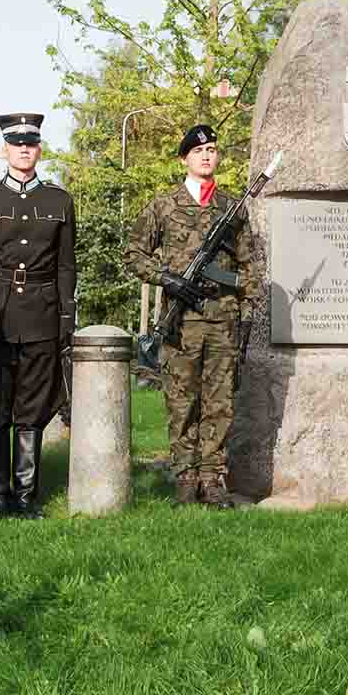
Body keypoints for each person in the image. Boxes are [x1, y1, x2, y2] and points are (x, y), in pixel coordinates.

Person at [126, 125, 260, 507]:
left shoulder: (231, 208)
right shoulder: (163, 205)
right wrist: (167, 278)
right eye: (199, 151)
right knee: (182, 401)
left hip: (223, 318)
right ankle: (185, 478)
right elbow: (134, 253)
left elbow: (248, 265)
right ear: (184, 158)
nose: (207, 156)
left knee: (219, 403)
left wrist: (247, 312)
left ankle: (212, 479)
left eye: (213, 150)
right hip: (182, 319)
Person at [0, 111, 76, 519]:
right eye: (16, 143)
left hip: (42, 313)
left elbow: (65, 265)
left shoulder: (59, 201)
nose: (24, 149)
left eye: (31, 143)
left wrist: (66, 315)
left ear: (39, 149)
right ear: (3, 149)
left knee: (32, 407)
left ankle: (26, 498)